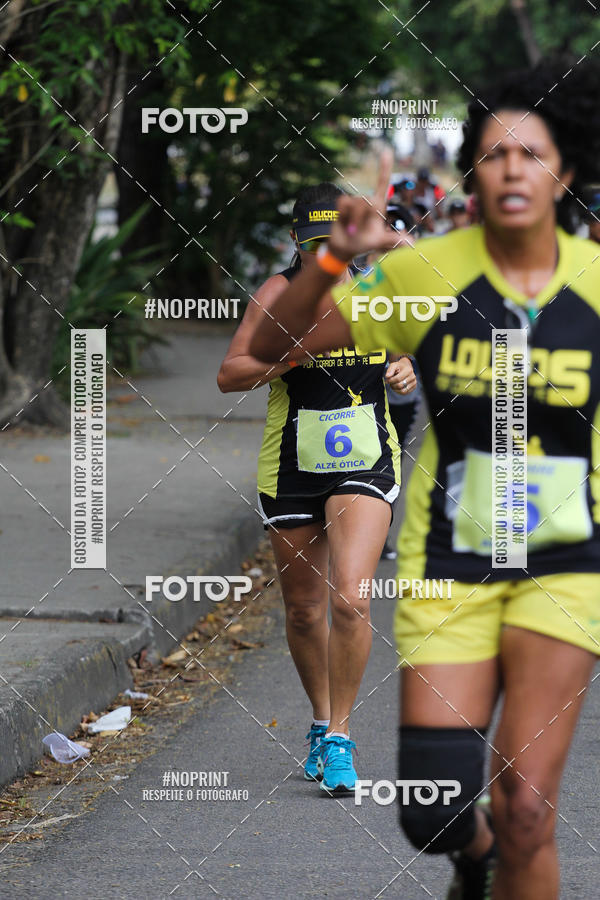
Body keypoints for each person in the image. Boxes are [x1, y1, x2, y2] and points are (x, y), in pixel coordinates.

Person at [247, 57, 600, 900]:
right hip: (451, 570)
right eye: (494, 154)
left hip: (565, 572)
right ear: (472, 175)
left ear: (567, 173)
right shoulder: (425, 273)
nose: (513, 168)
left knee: (525, 808)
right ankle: (469, 864)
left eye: (532, 153)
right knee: (434, 812)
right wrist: (330, 264)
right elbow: (269, 347)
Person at [217, 183, 417, 795]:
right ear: (297, 243)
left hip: (365, 456)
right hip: (291, 465)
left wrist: (408, 366)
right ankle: (320, 720)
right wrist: (295, 355)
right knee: (304, 609)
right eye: (313, 245)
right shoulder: (278, 294)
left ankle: (341, 741)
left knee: (351, 599)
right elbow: (231, 375)